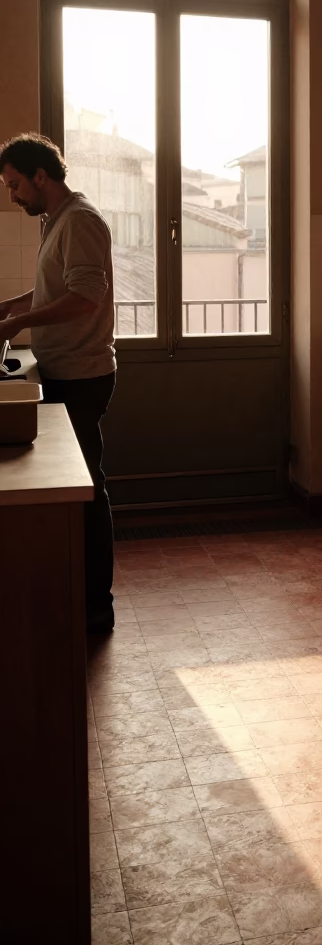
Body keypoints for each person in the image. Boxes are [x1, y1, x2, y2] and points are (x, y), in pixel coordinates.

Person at [0, 134, 117, 635]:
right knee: (80, 489)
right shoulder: (56, 220)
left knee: (87, 492)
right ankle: (83, 598)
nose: (12, 196)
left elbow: (85, 297)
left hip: (82, 373)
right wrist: (14, 306)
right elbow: (57, 285)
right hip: (64, 369)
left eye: (15, 185)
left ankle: (96, 607)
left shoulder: (81, 221)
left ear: (40, 177)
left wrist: (14, 326)